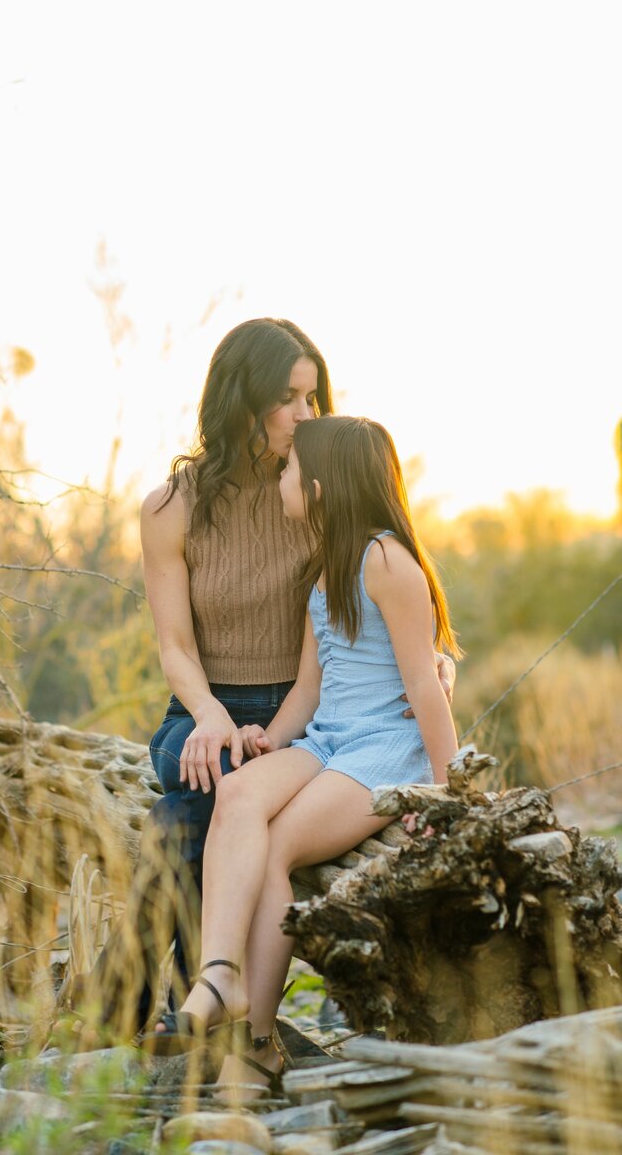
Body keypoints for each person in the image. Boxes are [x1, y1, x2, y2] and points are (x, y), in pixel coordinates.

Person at [70, 322, 453, 1044]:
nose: (305, 415)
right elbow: (175, 646)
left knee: (177, 822)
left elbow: (387, 614)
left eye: (313, 397)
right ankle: (193, 1004)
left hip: (312, 718)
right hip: (210, 713)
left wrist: (436, 663)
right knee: (210, 774)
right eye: (288, 398)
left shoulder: (315, 495)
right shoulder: (170, 508)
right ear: (243, 401)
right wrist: (212, 715)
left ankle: (167, 1004)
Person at [143, 414, 462, 1099]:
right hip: (327, 740)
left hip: (384, 751)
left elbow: (425, 693)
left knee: (277, 847)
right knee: (238, 795)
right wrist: (270, 742)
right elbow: (311, 688)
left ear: (317, 487)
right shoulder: (327, 571)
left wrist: (449, 791)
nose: (280, 477)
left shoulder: (386, 562)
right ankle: (219, 972)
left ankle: (258, 1046)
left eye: (290, 471)